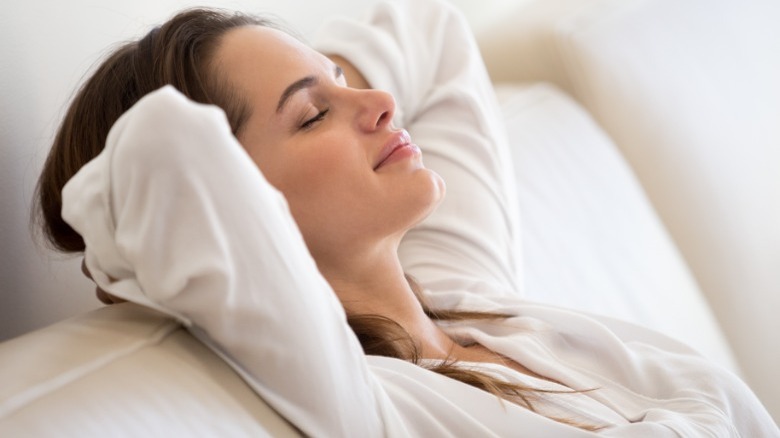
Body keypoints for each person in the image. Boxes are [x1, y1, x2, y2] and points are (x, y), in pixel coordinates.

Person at [34, 0, 778, 436]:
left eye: (342, 78)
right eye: (314, 114)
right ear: (242, 200)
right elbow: (160, 156)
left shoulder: (466, 291)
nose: (379, 101)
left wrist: (317, 85)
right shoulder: (366, 402)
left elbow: (433, 27)